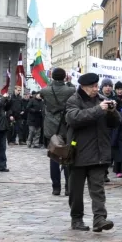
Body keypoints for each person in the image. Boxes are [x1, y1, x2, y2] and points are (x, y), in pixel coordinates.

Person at [65, 72, 120, 232]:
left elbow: (115, 123)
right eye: (93, 87)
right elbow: (74, 118)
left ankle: (100, 219)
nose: (96, 89)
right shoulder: (73, 100)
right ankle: (76, 219)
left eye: (97, 86)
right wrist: (98, 110)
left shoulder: (102, 99)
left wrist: (112, 111)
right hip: (78, 153)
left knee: (98, 189)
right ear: (83, 87)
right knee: (76, 191)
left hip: (99, 153)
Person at [40, 68, 75, 196]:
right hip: (65, 125)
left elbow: (44, 92)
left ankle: (56, 187)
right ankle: (68, 187)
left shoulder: (45, 90)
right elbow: (74, 90)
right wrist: (69, 82)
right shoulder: (69, 90)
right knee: (67, 156)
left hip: (51, 127)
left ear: (53, 77)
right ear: (64, 77)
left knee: (54, 156)